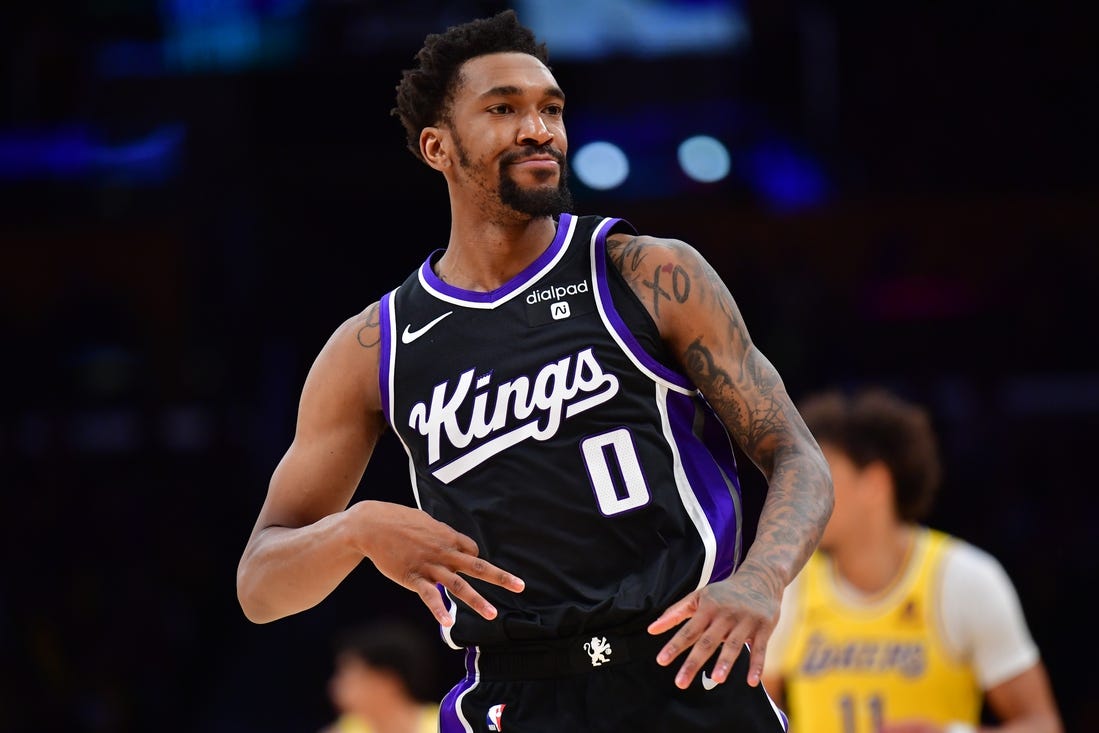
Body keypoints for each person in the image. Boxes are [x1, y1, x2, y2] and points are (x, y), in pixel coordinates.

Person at [236, 9, 834, 732]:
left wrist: (762, 580)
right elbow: (259, 583)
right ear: (436, 147)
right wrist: (353, 530)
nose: (539, 128)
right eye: (503, 109)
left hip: (682, 672)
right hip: (513, 697)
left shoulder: (644, 272)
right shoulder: (373, 346)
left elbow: (796, 453)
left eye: (551, 108)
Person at [761, 386, 1063, 733]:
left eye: (820, 478)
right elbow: (755, 715)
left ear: (874, 483)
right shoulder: (789, 584)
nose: (799, 496)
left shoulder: (966, 580)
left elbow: (1044, 724)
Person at [320, 618, 441, 733]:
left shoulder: (445, 723)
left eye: (348, 675)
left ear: (387, 681)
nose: (335, 685)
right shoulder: (341, 730)